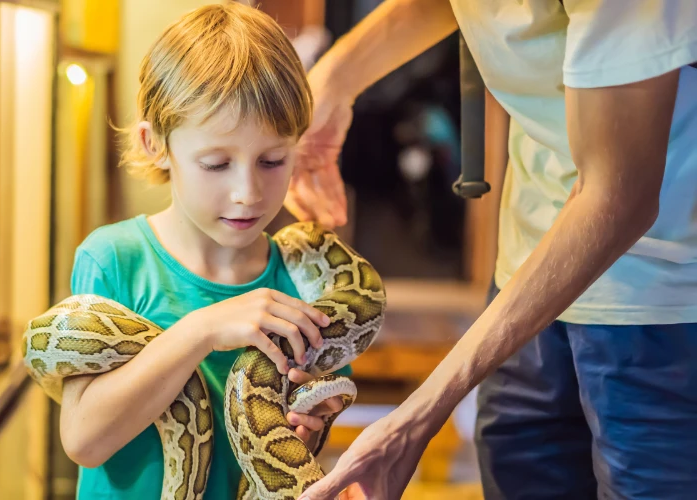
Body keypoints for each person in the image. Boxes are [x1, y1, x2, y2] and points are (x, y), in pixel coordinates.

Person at [289, 1, 697, 499]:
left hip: (665, 299)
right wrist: (334, 80)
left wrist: (415, 421)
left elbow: (618, 198)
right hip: (527, 270)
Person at [57, 4, 356, 498]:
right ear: (156, 144)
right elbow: (85, 441)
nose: (248, 192)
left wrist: (307, 432)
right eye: (217, 164)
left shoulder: (303, 283)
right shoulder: (115, 260)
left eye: (273, 160)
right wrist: (201, 330)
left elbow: (309, 432)